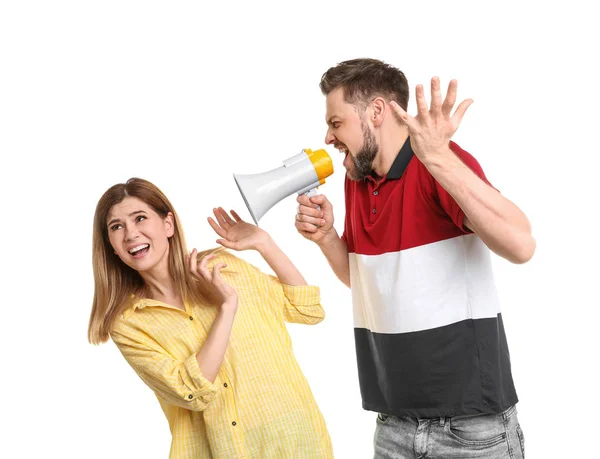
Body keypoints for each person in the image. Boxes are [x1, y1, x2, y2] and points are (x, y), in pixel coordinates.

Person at [295, 58, 533, 458]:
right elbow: (367, 281)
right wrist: (327, 238)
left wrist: (439, 158)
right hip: (393, 423)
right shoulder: (358, 178)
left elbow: (521, 245)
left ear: (375, 111)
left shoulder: (439, 163)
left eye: (336, 123)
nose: (328, 137)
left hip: (470, 429)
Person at [88, 178, 333, 459]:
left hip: (297, 444)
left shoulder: (224, 267)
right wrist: (226, 308)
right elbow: (190, 391)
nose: (130, 234)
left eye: (140, 218)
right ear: (112, 247)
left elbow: (307, 310)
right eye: (116, 227)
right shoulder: (129, 323)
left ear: (168, 224)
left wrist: (265, 243)